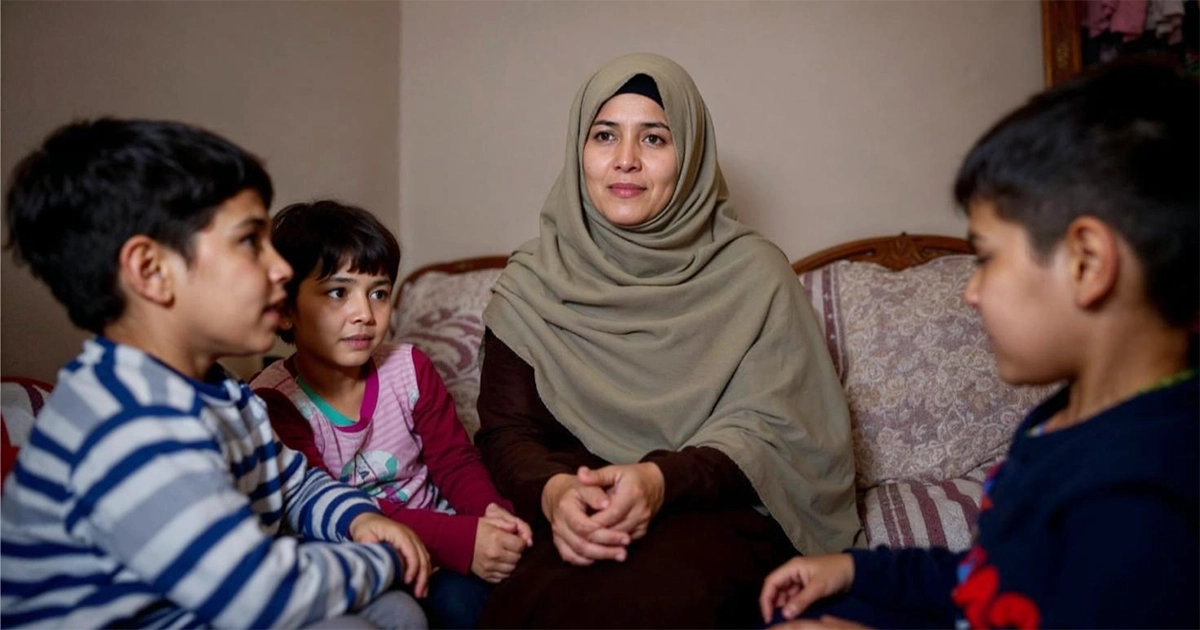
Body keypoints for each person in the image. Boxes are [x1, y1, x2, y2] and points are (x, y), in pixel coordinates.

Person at [759, 59, 1200, 630]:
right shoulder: (1061, 419)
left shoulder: (1143, 500)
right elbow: (992, 579)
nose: (970, 292)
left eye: (987, 258)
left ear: (1087, 263)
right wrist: (856, 570)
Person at [474, 53, 861, 629]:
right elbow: (509, 432)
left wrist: (659, 482)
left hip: (717, 510)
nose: (625, 159)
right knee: (526, 605)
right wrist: (556, 494)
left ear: (691, 156)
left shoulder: (754, 275)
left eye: (654, 138)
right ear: (579, 150)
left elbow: (778, 434)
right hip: (579, 514)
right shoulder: (532, 282)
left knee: (648, 600)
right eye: (605, 135)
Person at [0, 118, 431, 630]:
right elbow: (257, 594)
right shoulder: (129, 421)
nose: (281, 269)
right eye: (250, 242)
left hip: (206, 604)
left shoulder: (220, 391)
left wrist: (359, 517)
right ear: (151, 271)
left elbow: (291, 484)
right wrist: (380, 561)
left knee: (398, 612)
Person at [250, 200, 532, 630]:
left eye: (378, 293)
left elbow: (455, 461)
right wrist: (463, 540)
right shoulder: (274, 401)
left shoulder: (409, 368)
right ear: (286, 310)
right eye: (338, 292)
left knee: (489, 598)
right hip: (357, 557)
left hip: (444, 543)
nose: (364, 314)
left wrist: (491, 516)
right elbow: (319, 502)